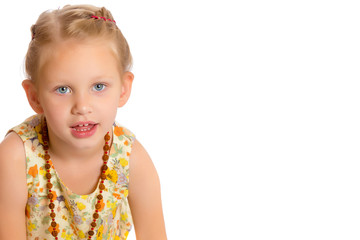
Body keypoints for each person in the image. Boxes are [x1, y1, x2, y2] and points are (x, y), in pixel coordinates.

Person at [0, 4, 167, 240]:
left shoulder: (130, 159)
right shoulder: (16, 157)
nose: (82, 106)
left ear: (123, 89)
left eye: (98, 86)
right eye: (63, 89)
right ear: (35, 97)